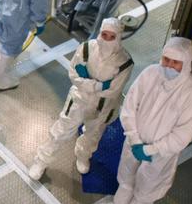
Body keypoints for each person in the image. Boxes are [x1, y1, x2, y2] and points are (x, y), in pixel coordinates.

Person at [90, 36, 192, 204]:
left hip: (160, 154)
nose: (169, 66)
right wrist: (134, 139)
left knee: (148, 186)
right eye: (166, 60)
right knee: (126, 174)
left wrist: (151, 149)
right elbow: (130, 106)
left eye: (175, 62)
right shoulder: (150, 74)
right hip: (134, 142)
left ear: (186, 62)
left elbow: (182, 135)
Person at [28, 18, 133, 180]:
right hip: (78, 100)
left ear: (119, 37)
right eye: (103, 34)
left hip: (103, 106)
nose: (106, 40)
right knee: (60, 131)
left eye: (111, 36)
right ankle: (41, 160)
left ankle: (83, 155)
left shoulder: (125, 62)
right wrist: (98, 86)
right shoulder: (86, 49)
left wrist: (88, 83)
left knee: (93, 134)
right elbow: (74, 74)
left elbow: (112, 91)